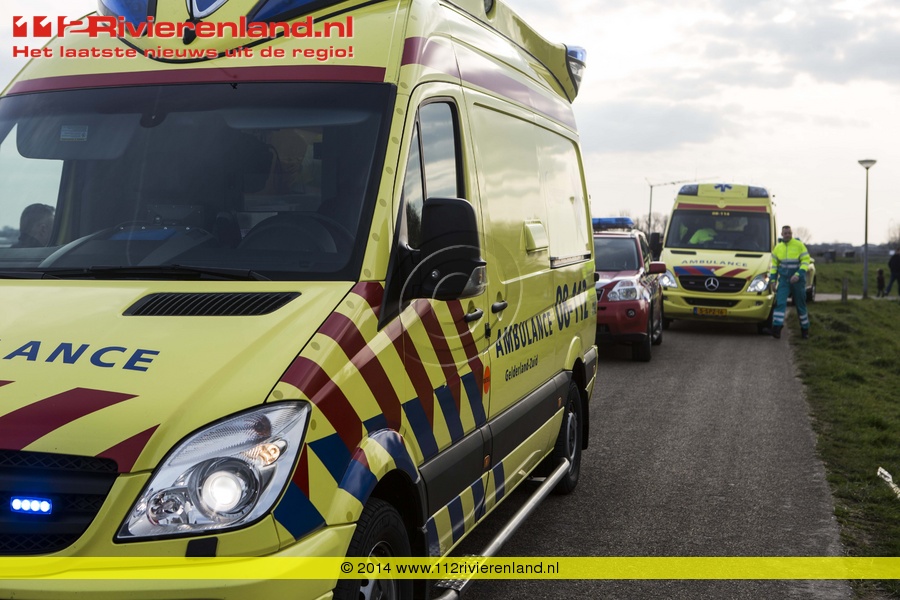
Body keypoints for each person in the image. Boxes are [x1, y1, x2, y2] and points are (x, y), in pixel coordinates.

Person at [769, 225, 811, 339]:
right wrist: (773, 281)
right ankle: (776, 329)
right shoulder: (777, 248)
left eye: (789, 233)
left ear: (791, 234)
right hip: (784, 281)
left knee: (800, 305)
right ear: (782, 234)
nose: (788, 235)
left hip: (798, 281)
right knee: (780, 303)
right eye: (785, 233)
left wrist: (798, 274)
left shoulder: (799, 245)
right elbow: (774, 266)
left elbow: (805, 261)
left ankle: (805, 330)